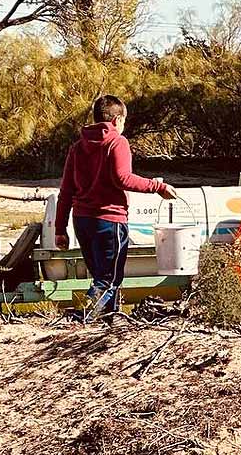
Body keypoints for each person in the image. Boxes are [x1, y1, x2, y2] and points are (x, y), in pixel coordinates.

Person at [56, 95, 177, 320]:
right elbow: (123, 178)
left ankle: (107, 323)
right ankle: (80, 320)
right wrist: (158, 187)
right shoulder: (116, 142)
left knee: (101, 277)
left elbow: (66, 190)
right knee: (108, 280)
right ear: (116, 120)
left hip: (82, 221)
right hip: (109, 220)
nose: (123, 126)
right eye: (124, 121)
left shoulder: (77, 147)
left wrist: (60, 229)